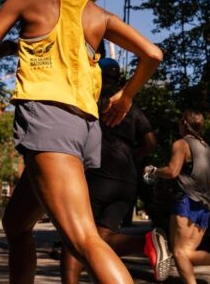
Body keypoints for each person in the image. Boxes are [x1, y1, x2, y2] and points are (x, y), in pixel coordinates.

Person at [0, 0, 163, 284]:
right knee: (16, 224)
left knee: (84, 238)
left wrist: (13, 46)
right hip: (84, 129)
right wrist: (126, 95)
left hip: (48, 121)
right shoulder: (98, 14)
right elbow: (153, 54)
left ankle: (140, 251)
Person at [61, 57, 173, 283]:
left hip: (98, 175)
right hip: (127, 178)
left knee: (74, 240)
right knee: (100, 241)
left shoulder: (91, 99)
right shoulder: (130, 104)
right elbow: (150, 142)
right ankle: (145, 242)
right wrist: (133, 156)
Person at [144, 110, 210, 284]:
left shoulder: (181, 144)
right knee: (187, 253)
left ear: (184, 124)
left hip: (186, 203)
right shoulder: (207, 148)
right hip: (205, 207)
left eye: (180, 122)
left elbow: (173, 171)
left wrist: (155, 171)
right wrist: (202, 187)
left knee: (179, 252)